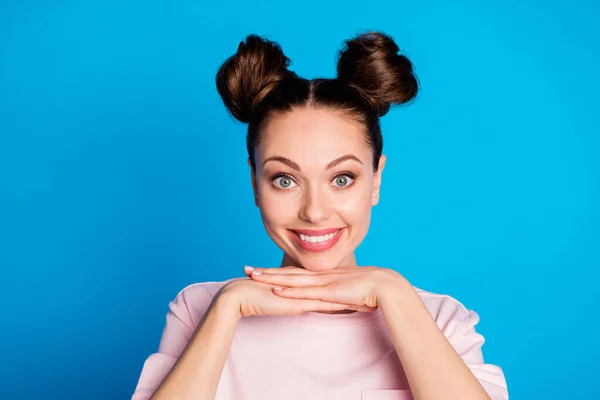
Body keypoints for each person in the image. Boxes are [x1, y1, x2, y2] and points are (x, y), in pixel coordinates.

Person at [131, 31, 508, 400]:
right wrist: (226, 309)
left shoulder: (439, 319)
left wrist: (395, 295)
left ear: (375, 181)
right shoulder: (200, 310)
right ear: (254, 183)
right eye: (284, 180)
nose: (314, 211)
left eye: (341, 179)